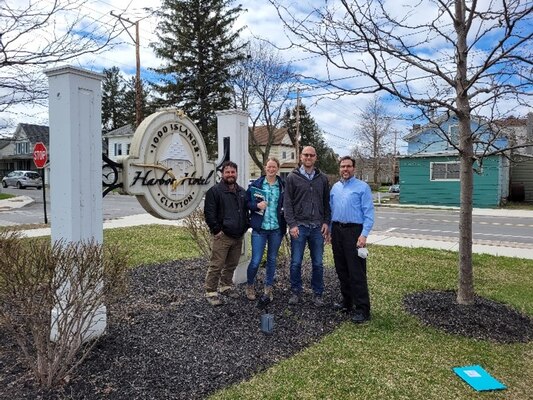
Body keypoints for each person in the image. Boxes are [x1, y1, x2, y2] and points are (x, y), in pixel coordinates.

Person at [329, 156, 375, 323]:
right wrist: (330, 230)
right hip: (337, 232)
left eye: (348, 166)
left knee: (356, 272)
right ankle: (346, 303)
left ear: (354, 168)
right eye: (342, 166)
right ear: (339, 169)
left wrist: (363, 235)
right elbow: (331, 210)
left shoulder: (362, 187)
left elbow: (369, 213)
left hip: (354, 233)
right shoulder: (335, 187)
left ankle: (363, 309)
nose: (345, 169)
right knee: (341, 270)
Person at [283, 146, 330, 306]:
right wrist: (292, 224)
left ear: (315, 158)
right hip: (299, 227)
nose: (308, 157)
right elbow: (287, 203)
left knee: (318, 263)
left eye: (311, 155)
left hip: (317, 227)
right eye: (306, 155)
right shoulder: (292, 177)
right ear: (300, 157)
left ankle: (318, 293)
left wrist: (326, 222)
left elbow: (326, 203)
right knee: (296, 262)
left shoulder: (322, 178)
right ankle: (295, 291)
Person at [203, 161, 249, 306]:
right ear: (222, 174)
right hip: (222, 236)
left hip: (238, 236)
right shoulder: (214, 191)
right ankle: (211, 292)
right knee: (217, 265)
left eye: (233, 172)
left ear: (236, 173)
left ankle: (226, 286)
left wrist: (245, 226)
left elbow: (245, 211)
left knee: (232, 264)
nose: (230, 175)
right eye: (227, 172)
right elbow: (209, 213)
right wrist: (216, 230)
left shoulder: (242, 192)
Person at [245, 158, 287, 302]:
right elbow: (247, 203)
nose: (271, 169)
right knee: (256, 260)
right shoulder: (256, 185)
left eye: (274, 167)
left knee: (272, 260)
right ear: (265, 168)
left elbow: (287, 203)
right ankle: (250, 285)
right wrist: (257, 206)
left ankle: (268, 288)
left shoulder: (282, 186)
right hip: (260, 229)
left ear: (277, 168)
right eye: (269, 167)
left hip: (276, 229)